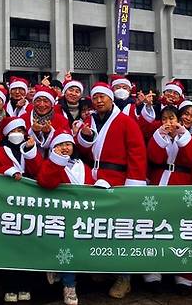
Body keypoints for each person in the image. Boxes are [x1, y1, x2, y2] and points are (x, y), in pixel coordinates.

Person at [76, 82, 147, 299]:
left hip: (118, 180)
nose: (98, 101)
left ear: (111, 99)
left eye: (102, 97)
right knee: (100, 228)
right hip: (95, 179)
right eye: (95, 97)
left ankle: (124, 277)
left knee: (121, 229)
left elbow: (137, 153)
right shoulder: (91, 121)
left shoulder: (126, 122)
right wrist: (85, 137)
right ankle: (104, 268)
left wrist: (133, 185)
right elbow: (84, 152)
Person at [37, 131, 109, 305]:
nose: (64, 148)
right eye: (60, 145)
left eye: (68, 144)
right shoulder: (49, 164)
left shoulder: (81, 165)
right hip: (60, 218)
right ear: (53, 148)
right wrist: (56, 163)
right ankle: (69, 286)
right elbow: (46, 182)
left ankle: (58, 270)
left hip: (81, 218)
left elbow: (90, 185)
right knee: (66, 250)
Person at [0, 117, 41, 303]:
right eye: (13, 131)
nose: (17, 134)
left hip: (29, 205)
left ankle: (26, 285)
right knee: (9, 246)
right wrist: (8, 170)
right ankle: (10, 286)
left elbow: (39, 172)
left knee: (27, 245)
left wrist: (32, 152)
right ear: (6, 133)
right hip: (6, 205)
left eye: (21, 130)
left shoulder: (30, 149)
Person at [145, 105, 192, 294]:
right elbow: (153, 156)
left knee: (182, 227)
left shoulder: (191, 135)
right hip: (160, 180)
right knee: (156, 226)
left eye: (172, 118)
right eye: (165, 119)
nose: (169, 123)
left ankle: (183, 273)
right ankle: (154, 271)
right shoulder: (157, 134)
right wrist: (161, 136)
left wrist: (182, 136)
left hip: (182, 183)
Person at [20, 85, 68, 152]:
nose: (41, 105)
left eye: (45, 101)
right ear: (33, 103)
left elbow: (66, 142)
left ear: (52, 104)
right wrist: (34, 132)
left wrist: (48, 133)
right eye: (38, 100)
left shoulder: (61, 120)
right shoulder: (23, 118)